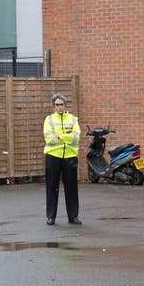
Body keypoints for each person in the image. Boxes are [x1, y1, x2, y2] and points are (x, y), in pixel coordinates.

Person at [43, 93, 82, 225]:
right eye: (57, 105)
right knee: (51, 187)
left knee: (71, 188)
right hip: (53, 156)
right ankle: (51, 217)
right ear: (53, 106)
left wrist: (60, 135)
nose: (60, 107)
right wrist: (68, 135)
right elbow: (49, 139)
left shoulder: (73, 119)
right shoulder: (49, 120)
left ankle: (73, 217)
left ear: (65, 105)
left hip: (70, 156)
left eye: (62, 104)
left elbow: (77, 136)